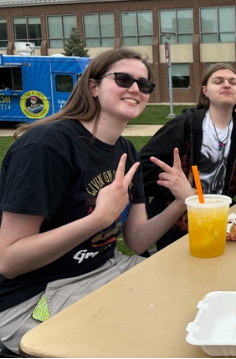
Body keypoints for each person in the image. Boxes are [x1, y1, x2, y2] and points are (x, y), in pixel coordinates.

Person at [0, 48, 194, 354]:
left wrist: (180, 203)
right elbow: (9, 260)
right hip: (34, 296)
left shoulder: (126, 149)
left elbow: (137, 239)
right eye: (123, 79)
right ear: (93, 87)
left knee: (191, 306)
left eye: (144, 85)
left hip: (106, 269)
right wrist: (97, 220)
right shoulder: (46, 146)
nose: (135, 89)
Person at [140, 63, 236, 251]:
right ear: (205, 91)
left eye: (232, 82)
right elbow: (142, 168)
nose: (226, 85)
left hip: (222, 221)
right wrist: (175, 185)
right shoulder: (185, 125)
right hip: (179, 227)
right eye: (218, 81)